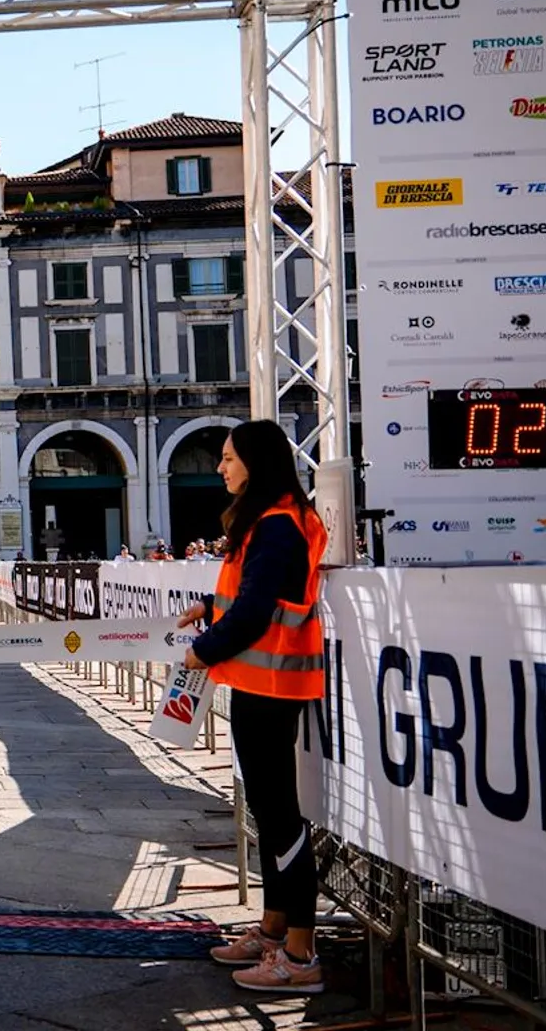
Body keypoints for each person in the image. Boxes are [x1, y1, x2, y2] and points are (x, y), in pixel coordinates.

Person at [177, 420, 329, 994]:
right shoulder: (273, 520)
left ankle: (300, 953)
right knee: (269, 815)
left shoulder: (278, 525)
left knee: (282, 819)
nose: (221, 467)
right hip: (261, 684)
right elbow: (247, 595)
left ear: (256, 463)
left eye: (227, 457)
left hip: (272, 688)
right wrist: (205, 609)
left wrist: (204, 650)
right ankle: (272, 932)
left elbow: (258, 612)